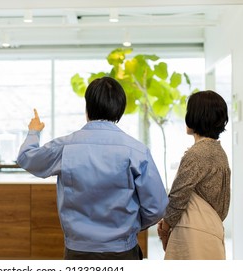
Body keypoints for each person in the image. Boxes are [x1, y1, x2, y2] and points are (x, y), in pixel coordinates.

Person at [17, 76, 168, 260]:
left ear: (87, 108)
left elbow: (26, 158)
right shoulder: (136, 151)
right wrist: (132, 226)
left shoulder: (65, 146)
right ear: (119, 110)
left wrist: (34, 131)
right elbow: (157, 208)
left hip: (78, 252)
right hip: (123, 251)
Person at [157, 90, 230, 260]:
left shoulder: (197, 154)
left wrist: (164, 228)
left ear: (196, 116)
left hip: (193, 235)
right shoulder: (219, 152)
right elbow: (223, 205)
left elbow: (178, 197)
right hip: (212, 231)